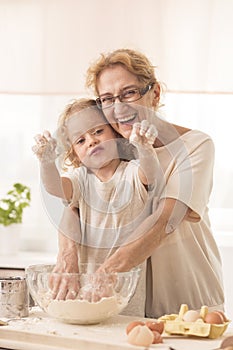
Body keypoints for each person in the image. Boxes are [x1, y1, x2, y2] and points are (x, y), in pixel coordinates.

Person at [50, 48, 225, 319]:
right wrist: (67, 252)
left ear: (154, 93)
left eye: (129, 93)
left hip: (189, 303)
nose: (119, 108)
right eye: (107, 99)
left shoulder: (195, 146)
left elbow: (163, 221)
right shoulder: (113, 152)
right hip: (130, 309)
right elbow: (73, 202)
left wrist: (105, 274)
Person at [33, 97, 159, 316]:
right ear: (75, 154)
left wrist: (145, 148)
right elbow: (55, 188)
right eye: (80, 141)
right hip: (85, 290)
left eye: (98, 131)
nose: (91, 141)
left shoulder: (131, 173)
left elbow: (151, 173)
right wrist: (46, 162)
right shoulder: (80, 179)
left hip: (125, 296)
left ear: (115, 134)